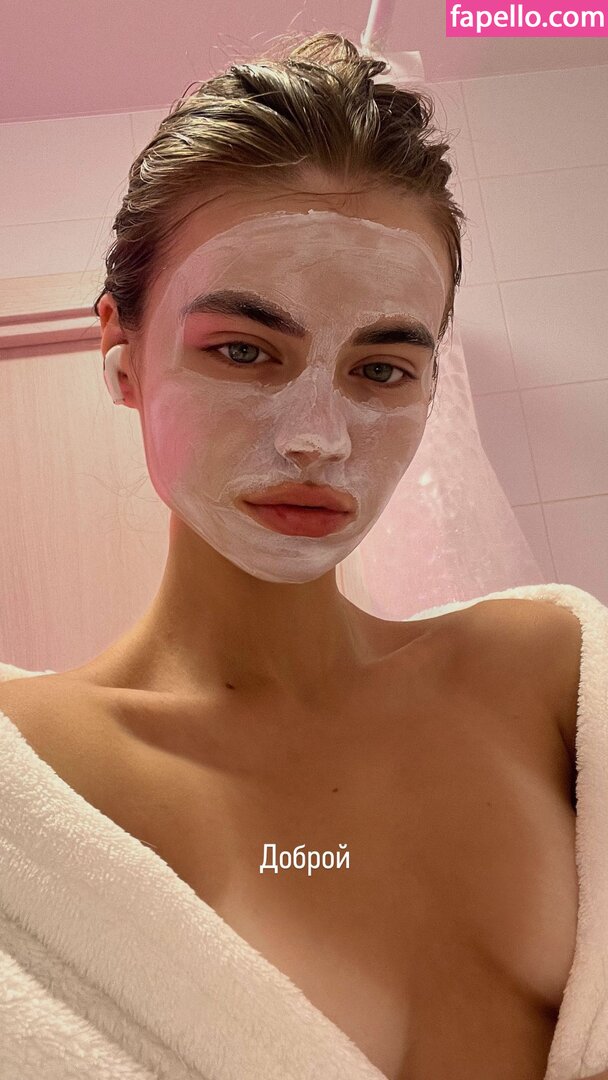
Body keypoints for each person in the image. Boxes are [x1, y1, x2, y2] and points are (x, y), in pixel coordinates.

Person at [0, 31, 593, 1080]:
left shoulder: (556, 673)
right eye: (243, 350)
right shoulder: (29, 784)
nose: (318, 437)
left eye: (382, 367)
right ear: (120, 351)